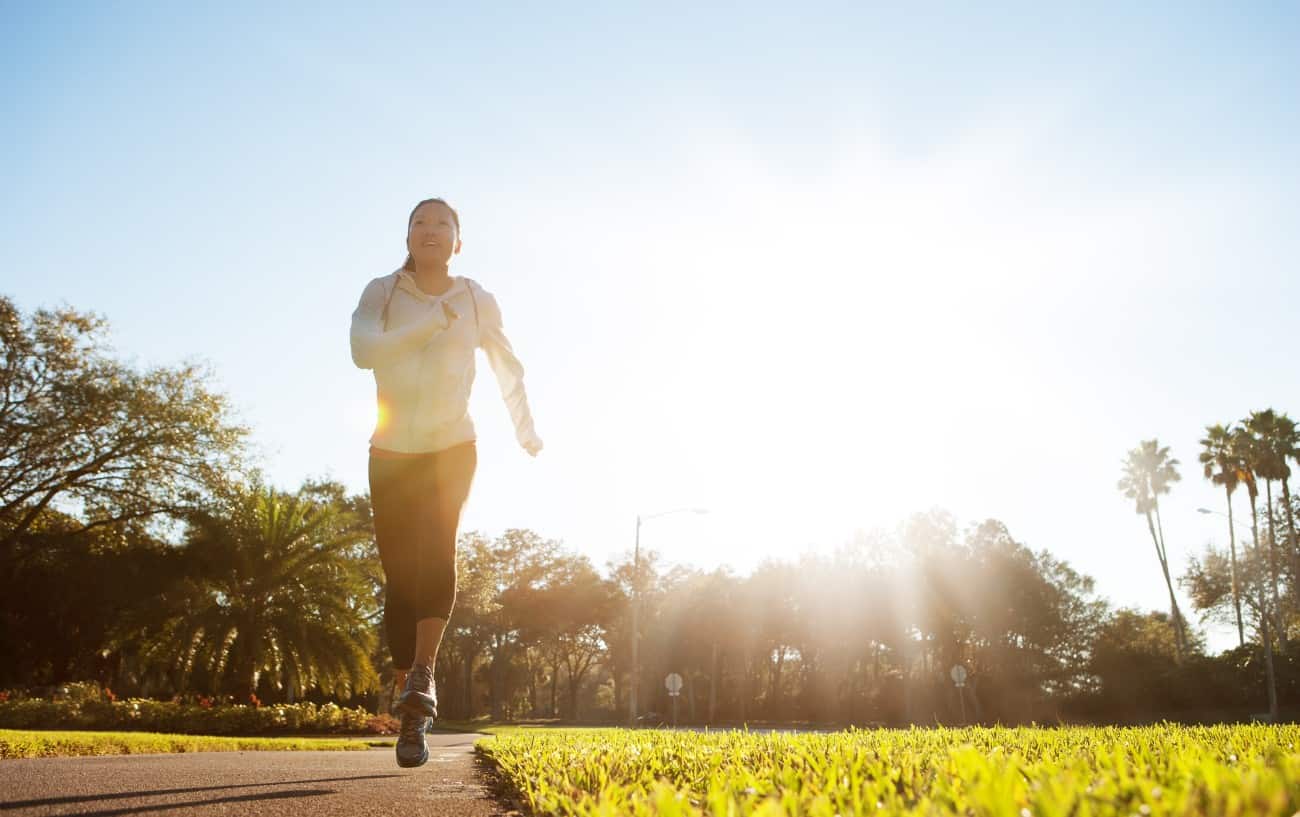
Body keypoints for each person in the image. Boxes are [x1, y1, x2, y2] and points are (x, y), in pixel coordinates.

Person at [350, 197, 542, 768]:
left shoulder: (477, 299)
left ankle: (424, 681)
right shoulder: (381, 293)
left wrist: (525, 428)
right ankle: (410, 697)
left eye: (442, 224)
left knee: (438, 549)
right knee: (399, 577)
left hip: (454, 445)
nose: (430, 229)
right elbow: (364, 351)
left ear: (458, 241)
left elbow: (508, 364)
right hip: (391, 451)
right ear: (407, 237)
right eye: (419, 222)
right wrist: (430, 323)